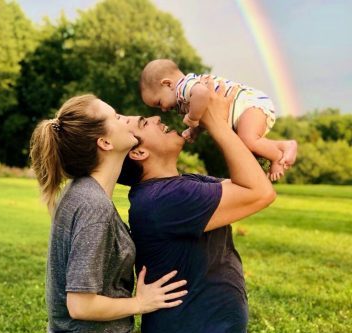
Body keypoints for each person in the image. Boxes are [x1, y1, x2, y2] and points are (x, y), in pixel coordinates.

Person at [117, 80, 276, 333]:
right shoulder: (166, 199)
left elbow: (251, 181)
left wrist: (243, 127)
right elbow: (259, 194)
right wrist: (215, 122)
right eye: (145, 123)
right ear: (138, 153)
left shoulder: (180, 185)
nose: (158, 118)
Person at [29, 94, 188, 333]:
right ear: (105, 142)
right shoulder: (93, 204)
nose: (125, 120)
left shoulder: (82, 191)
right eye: (116, 117)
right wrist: (140, 303)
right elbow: (80, 305)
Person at [139, 58, 298, 181]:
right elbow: (207, 113)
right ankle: (284, 145)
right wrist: (195, 130)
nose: (164, 109)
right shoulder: (185, 99)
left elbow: (202, 94)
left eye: (159, 103)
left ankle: (277, 157)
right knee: (246, 144)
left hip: (249, 104)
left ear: (167, 84)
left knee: (248, 140)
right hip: (244, 110)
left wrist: (193, 119)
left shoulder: (184, 86)